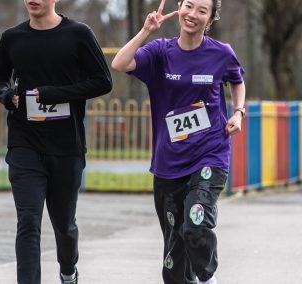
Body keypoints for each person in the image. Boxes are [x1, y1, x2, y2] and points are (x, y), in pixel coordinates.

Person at [111, 0, 245, 283]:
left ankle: (207, 277)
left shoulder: (221, 54)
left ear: (210, 20)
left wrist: (238, 112)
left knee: (195, 226)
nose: (192, 14)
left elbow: (237, 79)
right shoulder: (160, 52)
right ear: (180, 8)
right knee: (174, 259)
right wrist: (146, 30)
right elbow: (119, 63)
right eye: (188, 5)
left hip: (210, 154)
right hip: (169, 163)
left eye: (202, 10)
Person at [0, 0, 112, 283]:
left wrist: (55, 94)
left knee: (64, 226)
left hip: (66, 146)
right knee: (29, 222)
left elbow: (103, 81)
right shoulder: (12, 38)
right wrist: (7, 96)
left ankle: (68, 271)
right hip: (24, 142)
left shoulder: (79, 34)